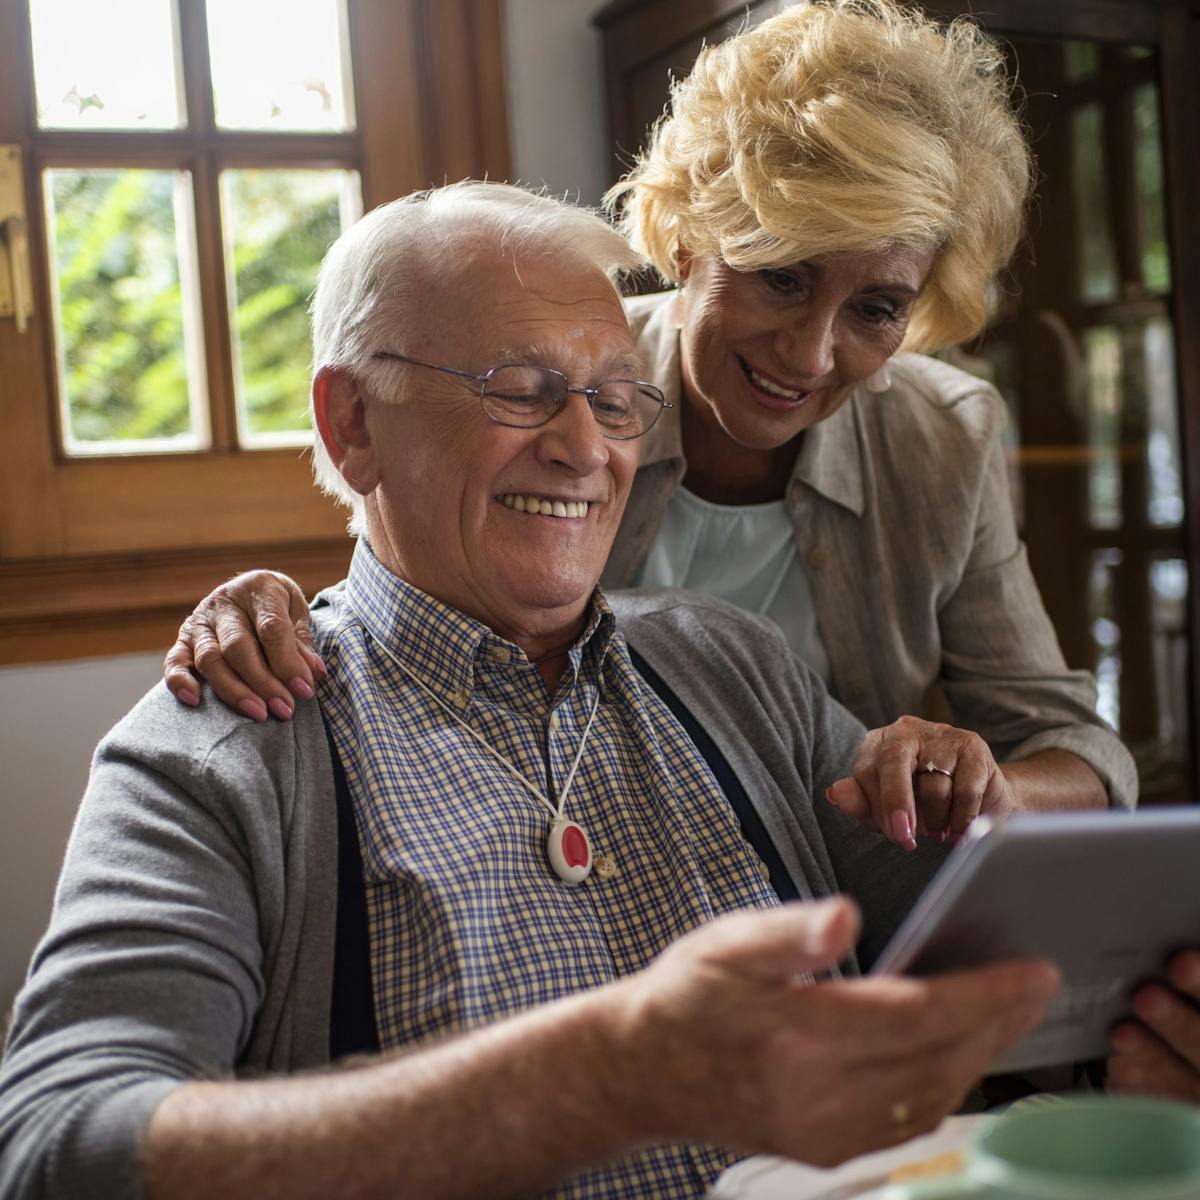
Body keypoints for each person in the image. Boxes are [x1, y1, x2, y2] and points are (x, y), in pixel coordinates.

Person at [0, 183, 1062, 1200]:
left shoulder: (731, 666)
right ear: (353, 424)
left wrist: (968, 801)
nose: (584, 447)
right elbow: (56, 1151)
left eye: (611, 399)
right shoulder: (220, 753)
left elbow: (1004, 947)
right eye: (519, 388)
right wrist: (592, 1079)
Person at [162, 0, 1136, 845]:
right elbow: (411, 561)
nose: (808, 354)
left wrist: (981, 787)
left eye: (875, 309)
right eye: (782, 276)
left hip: (832, 891)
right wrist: (267, 603)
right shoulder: (568, 374)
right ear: (690, 233)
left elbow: (1079, 750)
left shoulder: (941, 433)